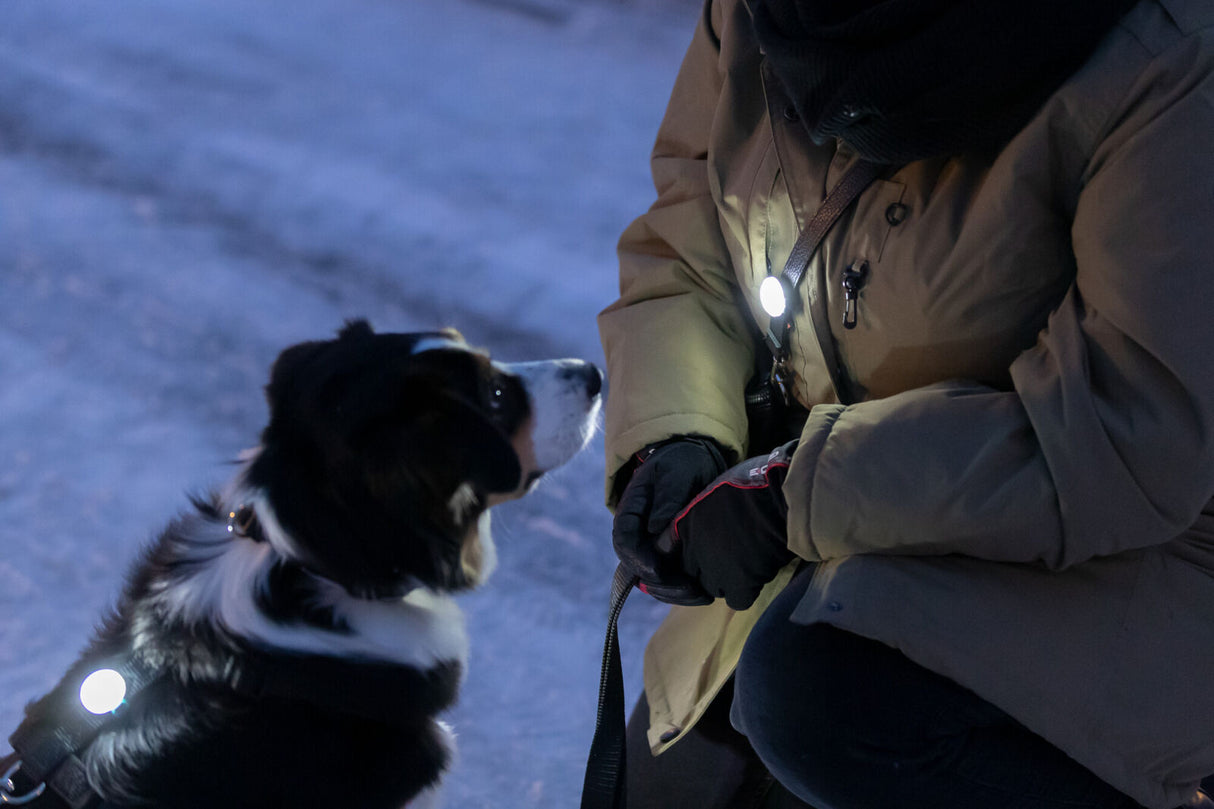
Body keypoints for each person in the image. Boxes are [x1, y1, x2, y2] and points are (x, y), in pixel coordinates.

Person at [596, 0, 1214, 807]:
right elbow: (690, 244)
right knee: (677, 782)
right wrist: (679, 434)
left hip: (1142, 561)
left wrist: (795, 494)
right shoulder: (759, 15)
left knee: (819, 695)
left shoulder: (1167, 61)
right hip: (858, 530)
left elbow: (1130, 431)